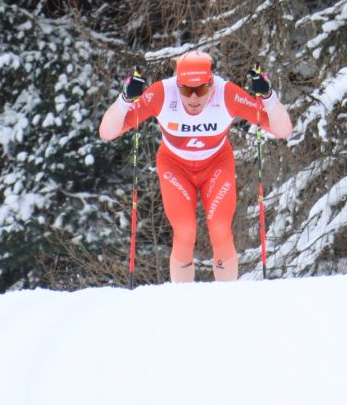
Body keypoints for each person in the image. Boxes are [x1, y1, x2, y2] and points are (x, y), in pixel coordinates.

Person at [99, 51, 292, 282]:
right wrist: (125, 100)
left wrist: (268, 97)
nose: (193, 98)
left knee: (220, 229)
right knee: (184, 231)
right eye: (185, 90)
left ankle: (228, 297)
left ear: (211, 83)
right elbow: (107, 132)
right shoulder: (162, 93)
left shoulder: (226, 93)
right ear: (177, 84)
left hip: (216, 164)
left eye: (201, 90)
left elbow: (282, 130)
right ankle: (182, 299)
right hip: (175, 166)